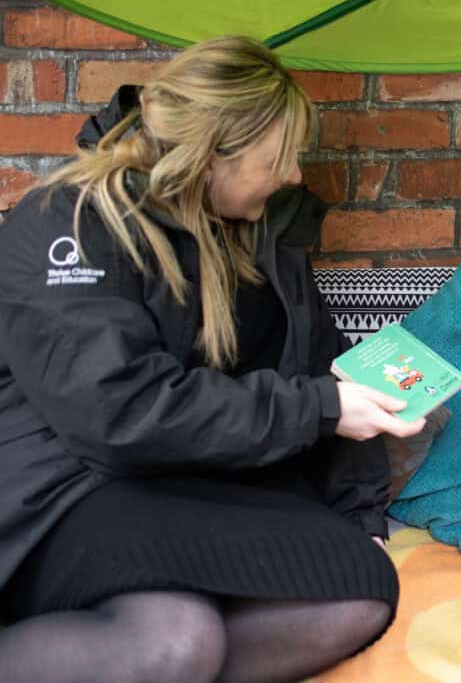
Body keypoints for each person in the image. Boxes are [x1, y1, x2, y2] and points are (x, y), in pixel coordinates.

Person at [0, 36, 425, 683]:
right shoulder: (70, 222)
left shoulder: (262, 235)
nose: (293, 176)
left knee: (355, 589)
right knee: (174, 641)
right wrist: (319, 409)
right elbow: (118, 413)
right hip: (70, 493)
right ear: (211, 155)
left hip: (192, 485)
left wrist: (359, 516)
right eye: (277, 158)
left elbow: (326, 371)